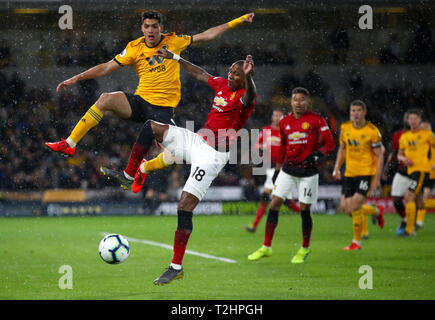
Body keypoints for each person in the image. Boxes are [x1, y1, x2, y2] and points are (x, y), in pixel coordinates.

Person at [45, 10, 255, 189]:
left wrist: (237, 21)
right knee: (105, 98)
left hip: (163, 110)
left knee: (173, 157)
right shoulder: (135, 47)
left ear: (161, 27)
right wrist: (77, 77)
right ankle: (70, 143)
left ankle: (143, 168)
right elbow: (107, 67)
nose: (151, 30)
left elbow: (206, 36)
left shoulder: (174, 41)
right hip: (140, 102)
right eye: (147, 26)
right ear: (142, 28)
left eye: (155, 26)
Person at [125, 49, 256, 284]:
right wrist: (175, 58)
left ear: (244, 78)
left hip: (213, 156)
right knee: (151, 127)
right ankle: (133, 172)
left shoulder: (246, 96)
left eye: (236, 74)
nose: (231, 76)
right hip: (198, 140)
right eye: (231, 71)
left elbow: (249, 96)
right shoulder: (222, 85)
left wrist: (249, 78)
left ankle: (176, 267)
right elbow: (199, 73)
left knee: (184, 205)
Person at [248, 87, 335, 264]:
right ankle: (266, 247)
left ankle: (305, 247)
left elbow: (330, 144)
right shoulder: (284, 122)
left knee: (304, 210)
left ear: (307, 102)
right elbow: (282, 148)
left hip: (308, 172)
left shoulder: (316, 120)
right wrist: (278, 170)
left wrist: (318, 154)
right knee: (274, 204)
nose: (298, 102)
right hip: (288, 169)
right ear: (291, 101)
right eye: (295, 99)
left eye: (302, 99)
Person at [332, 100, 385, 251]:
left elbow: (379, 156)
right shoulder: (345, 128)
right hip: (349, 173)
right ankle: (375, 210)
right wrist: (336, 168)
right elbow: (342, 149)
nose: (355, 114)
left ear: (364, 112)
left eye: (358, 111)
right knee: (347, 209)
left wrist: (376, 178)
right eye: (352, 111)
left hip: (365, 173)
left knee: (355, 205)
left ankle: (357, 242)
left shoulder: (372, 131)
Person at [244, 108, 300, 233]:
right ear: (272, 117)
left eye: (280, 116)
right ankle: (303, 213)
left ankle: (304, 213)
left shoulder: (287, 132)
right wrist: (264, 146)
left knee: (273, 197)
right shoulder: (266, 130)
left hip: (283, 167)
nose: (277, 118)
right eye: (275, 115)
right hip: (271, 167)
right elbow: (255, 145)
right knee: (277, 198)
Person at [397, 110, 435, 236]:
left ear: (420, 121)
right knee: (419, 202)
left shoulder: (427, 134)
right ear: (408, 121)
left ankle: (409, 230)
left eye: (415, 118)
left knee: (409, 197)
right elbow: (399, 154)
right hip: (411, 171)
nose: (413, 121)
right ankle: (414, 224)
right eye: (411, 118)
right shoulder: (405, 137)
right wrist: (404, 159)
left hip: (422, 171)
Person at [382, 112, 411, 235]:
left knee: (417, 202)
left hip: (418, 171)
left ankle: (412, 224)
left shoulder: (424, 134)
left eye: (414, 118)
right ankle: (406, 219)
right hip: (402, 171)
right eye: (408, 118)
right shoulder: (398, 135)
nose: (410, 121)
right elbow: (393, 153)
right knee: (396, 199)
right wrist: (386, 168)